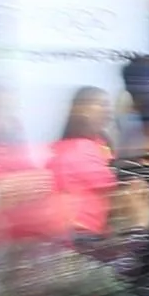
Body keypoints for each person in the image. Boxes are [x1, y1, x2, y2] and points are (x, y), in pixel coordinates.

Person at [46, 86, 116, 237]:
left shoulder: (101, 144)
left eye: (108, 105)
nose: (108, 109)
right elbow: (111, 184)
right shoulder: (77, 147)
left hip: (94, 230)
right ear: (81, 108)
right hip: (78, 231)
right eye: (102, 104)